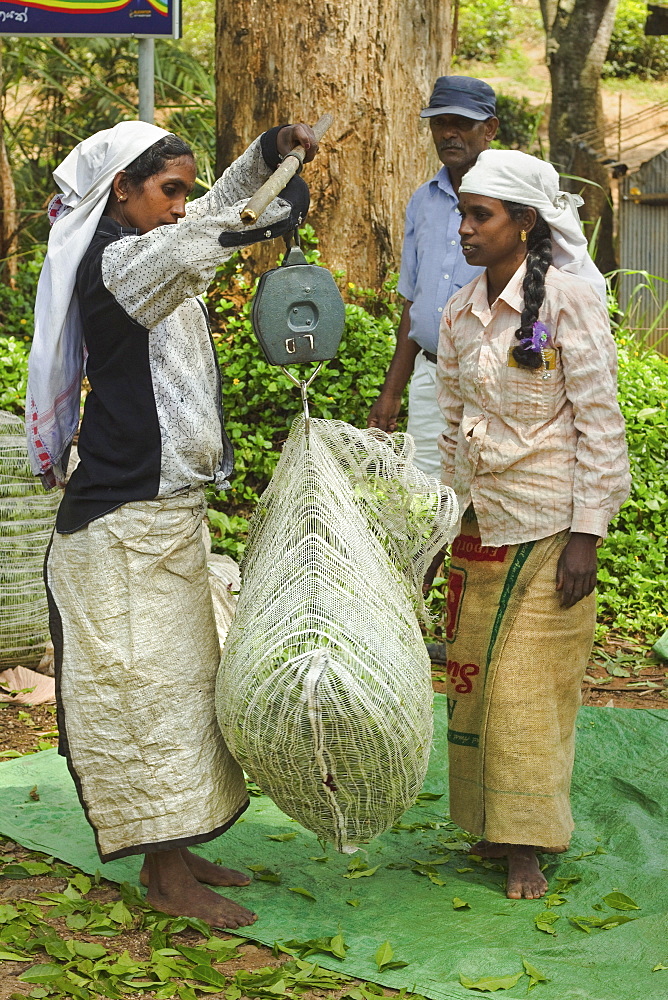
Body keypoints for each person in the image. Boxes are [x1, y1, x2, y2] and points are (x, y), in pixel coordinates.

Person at [27, 118, 318, 928]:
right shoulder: (119, 262)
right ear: (121, 190)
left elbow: (213, 214)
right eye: (169, 190)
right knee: (146, 702)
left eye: (185, 189)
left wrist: (267, 154)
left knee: (188, 693)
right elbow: (206, 238)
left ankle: (182, 850)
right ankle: (164, 877)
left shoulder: (153, 236)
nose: (181, 205)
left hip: (166, 518)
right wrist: (266, 207)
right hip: (120, 530)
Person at [436, 149, 630, 899]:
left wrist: (589, 533)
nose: (465, 228)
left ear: (523, 224)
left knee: (527, 690)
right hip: (481, 524)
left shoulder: (569, 301)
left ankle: (529, 844)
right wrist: (443, 521)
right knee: (476, 684)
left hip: (552, 525)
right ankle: (490, 827)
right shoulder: (459, 311)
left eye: (480, 215)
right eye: (463, 213)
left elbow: (600, 423)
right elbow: (452, 427)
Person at [367, 76, 499, 478]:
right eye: (440, 122)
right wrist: (391, 393)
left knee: (488, 498)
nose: (449, 133)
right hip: (430, 374)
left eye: (461, 122)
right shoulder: (424, 200)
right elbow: (414, 302)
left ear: (489, 128)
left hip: (493, 382)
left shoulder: (513, 202)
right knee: (425, 499)